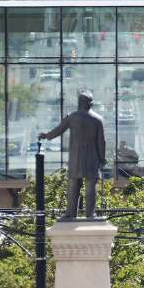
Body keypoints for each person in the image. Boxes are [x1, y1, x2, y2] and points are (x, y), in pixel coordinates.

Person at [40, 90, 107, 219]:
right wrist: (102, 158)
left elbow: (58, 130)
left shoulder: (72, 117)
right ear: (90, 104)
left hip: (75, 156)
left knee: (73, 184)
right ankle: (90, 214)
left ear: (79, 103)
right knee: (90, 185)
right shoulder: (98, 120)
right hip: (92, 157)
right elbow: (101, 142)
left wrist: (46, 136)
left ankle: (70, 213)